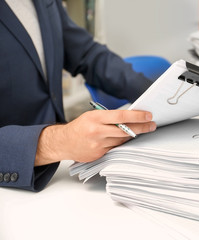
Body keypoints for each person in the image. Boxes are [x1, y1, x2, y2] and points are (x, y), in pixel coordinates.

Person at [0, 0, 157, 191]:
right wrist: (57, 141)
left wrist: (158, 93)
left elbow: (87, 54)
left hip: (63, 175)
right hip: (11, 188)